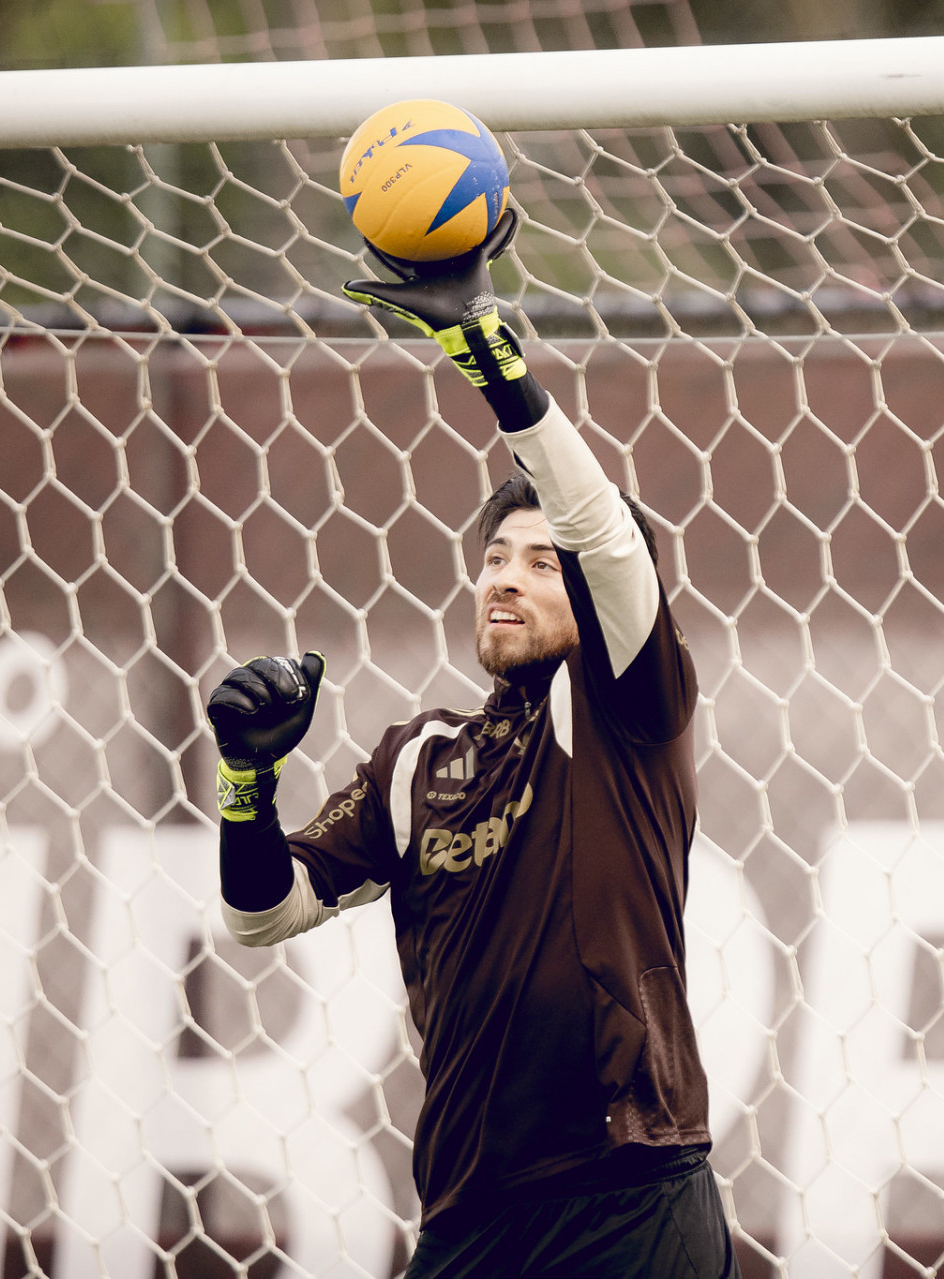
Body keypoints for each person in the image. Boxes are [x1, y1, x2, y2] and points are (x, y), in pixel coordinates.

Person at [203, 209, 739, 1279]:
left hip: (629, 1190)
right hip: (468, 1215)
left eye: (543, 564)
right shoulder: (420, 759)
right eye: (496, 557)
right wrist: (246, 782)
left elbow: (611, 544)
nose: (506, 575)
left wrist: (492, 360)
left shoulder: (625, 714)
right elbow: (260, 913)